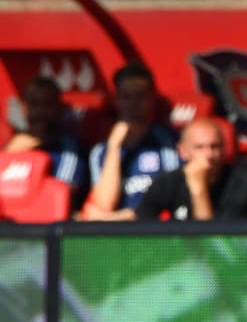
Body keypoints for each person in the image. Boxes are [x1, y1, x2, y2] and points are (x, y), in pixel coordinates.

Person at [81, 62, 181, 221]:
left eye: (140, 97)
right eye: (126, 97)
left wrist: (127, 216)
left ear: (151, 98)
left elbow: (172, 203)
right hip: (115, 231)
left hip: (156, 231)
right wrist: (114, 147)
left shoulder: (168, 144)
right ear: (116, 100)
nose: (133, 104)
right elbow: (104, 205)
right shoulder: (101, 151)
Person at [132, 117, 247, 221]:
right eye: (199, 147)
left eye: (215, 146)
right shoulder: (169, 181)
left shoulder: (242, 184)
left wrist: (199, 190)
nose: (209, 154)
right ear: (182, 151)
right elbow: (142, 221)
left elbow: (212, 239)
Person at [3, 74, 88, 208]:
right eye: (34, 104)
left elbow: (61, 196)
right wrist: (7, 157)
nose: (40, 111)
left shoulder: (69, 149)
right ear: (24, 108)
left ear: (59, 108)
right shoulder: (11, 146)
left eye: (48, 104)